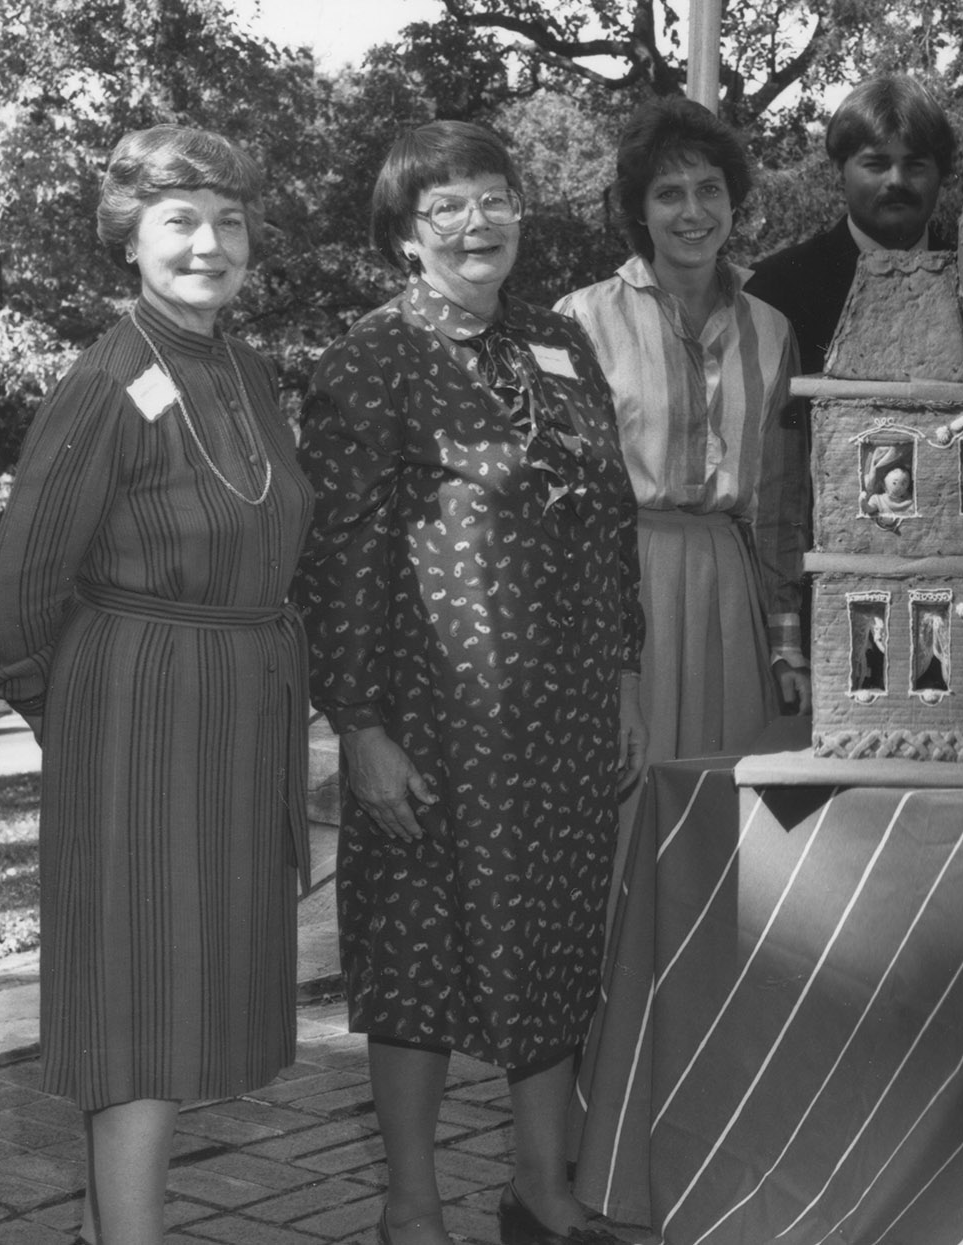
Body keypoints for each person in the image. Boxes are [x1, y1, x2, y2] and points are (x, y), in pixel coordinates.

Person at [295, 120, 644, 1245]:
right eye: (444, 205)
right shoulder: (368, 360)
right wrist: (357, 724)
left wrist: (623, 679)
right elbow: (335, 557)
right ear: (404, 235)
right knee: (419, 956)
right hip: (434, 717)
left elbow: (611, 523)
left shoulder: (558, 345)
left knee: (553, 940)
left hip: (568, 713)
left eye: (494, 197)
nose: (476, 221)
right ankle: (411, 1207)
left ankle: (540, 1190)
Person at [0, 125, 311, 1245]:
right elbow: (13, 588)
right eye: (180, 223)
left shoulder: (242, 369)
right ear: (132, 240)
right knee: (138, 992)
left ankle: (99, 1226)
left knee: (183, 978)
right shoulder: (109, 377)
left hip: (229, 703)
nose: (209, 244)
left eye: (228, 222)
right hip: (141, 712)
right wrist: (76, 716)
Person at [554, 97, 808, 777]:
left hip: (732, 587)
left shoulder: (774, 330)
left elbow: (782, 503)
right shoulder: (581, 320)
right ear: (639, 209)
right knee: (625, 790)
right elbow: (559, 497)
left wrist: (786, 641)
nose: (692, 212)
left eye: (709, 190)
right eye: (668, 193)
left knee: (719, 799)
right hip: (622, 584)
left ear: (734, 200)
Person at [745, 74, 957, 375]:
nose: (897, 180)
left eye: (915, 164)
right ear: (839, 172)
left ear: (942, 173)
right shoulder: (774, 290)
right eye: (876, 164)